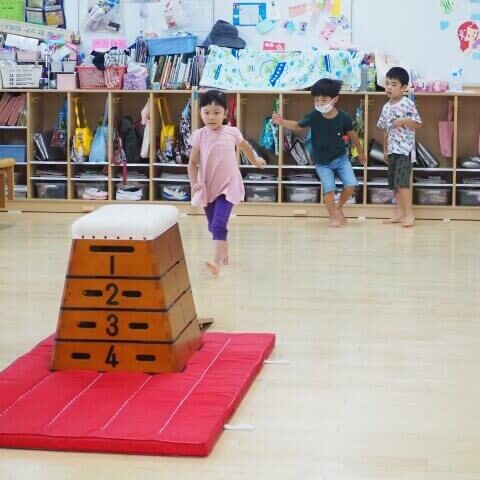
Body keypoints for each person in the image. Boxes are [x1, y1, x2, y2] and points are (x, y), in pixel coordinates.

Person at [188, 89, 266, 276]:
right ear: (200, 113)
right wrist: (193, 183)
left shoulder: (232, 132)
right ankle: (223, 245)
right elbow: (192, 163)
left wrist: (256, 161)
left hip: (229, 186)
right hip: (208, 186)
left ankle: (216, 263)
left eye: (216, 113)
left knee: (218, 224)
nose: (211, 117)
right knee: (213, 226)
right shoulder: (199, 135)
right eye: (207, 113)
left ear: (225, 114)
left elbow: (246, 147)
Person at [272, 78, 365, 227]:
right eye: (317, 100)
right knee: (329, 189)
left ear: (335, 99)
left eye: (324, 100)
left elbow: (353, 135)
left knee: (350, 185)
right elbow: (297, 126)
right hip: (322, 162)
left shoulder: (344, 117)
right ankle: (332, 217)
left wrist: (360, 152)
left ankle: (338, 208)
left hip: (341, 159)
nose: (320, 103)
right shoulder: (314, 116)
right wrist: (282, 122)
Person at [377, 66, 422, 227]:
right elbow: (384, 129)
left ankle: (409, 215)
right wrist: (385, 150)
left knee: (403, 183)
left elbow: (417, 124)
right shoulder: (386, 107)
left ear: (403, 88)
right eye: (387, 83)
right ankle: (398, 213)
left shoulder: (407, 104)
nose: (389, 87)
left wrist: (404, 121)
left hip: (405, 150)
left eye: (393, 84)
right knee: (394, 184)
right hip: (392, 150)